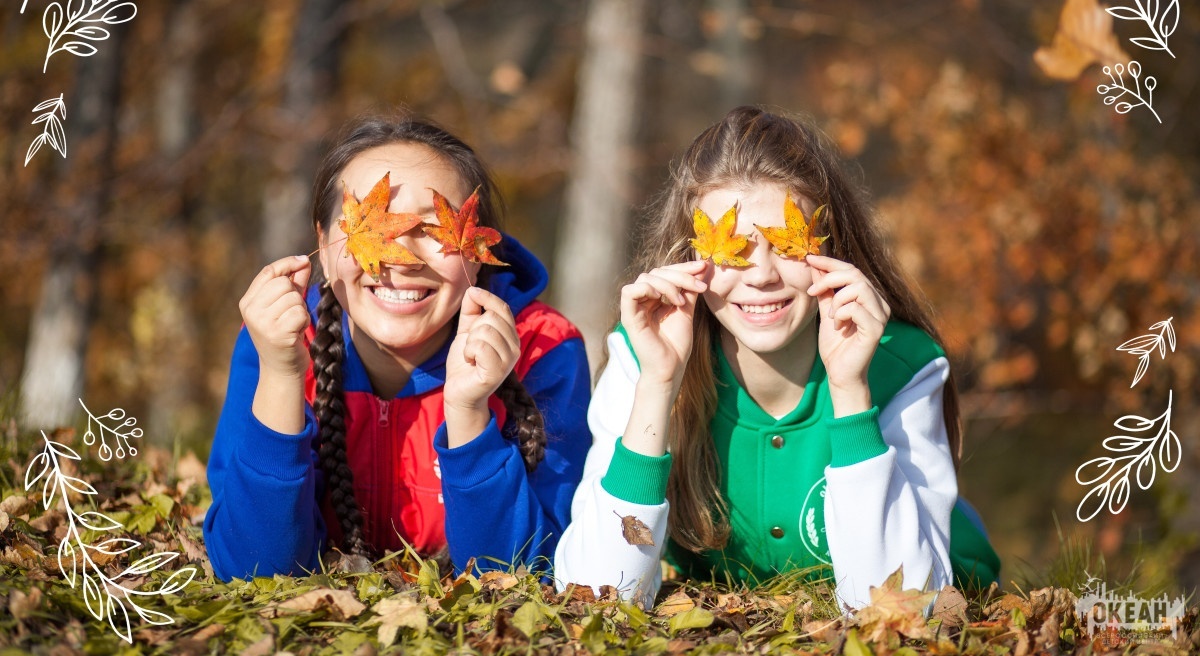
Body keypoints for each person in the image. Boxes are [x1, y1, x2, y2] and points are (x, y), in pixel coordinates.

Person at [554, 106, 999, 609]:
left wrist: (851, 392)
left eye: (787, 244)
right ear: (689, 256)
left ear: (831, 245)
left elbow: (901, 607)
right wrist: (658, 386)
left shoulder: (900, 365)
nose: (761, 274)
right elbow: (597, 594)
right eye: (733, 249)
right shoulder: (645, 355)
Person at [204, 114, 591, 581]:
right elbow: (253, 567)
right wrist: (283, 376)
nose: (400, 259)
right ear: (323, 242)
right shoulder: (280, 340)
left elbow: (524, 575)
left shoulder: (542, 350)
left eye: (431, 230)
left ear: (479, 247)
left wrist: (469, 413)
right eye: (373, 228)